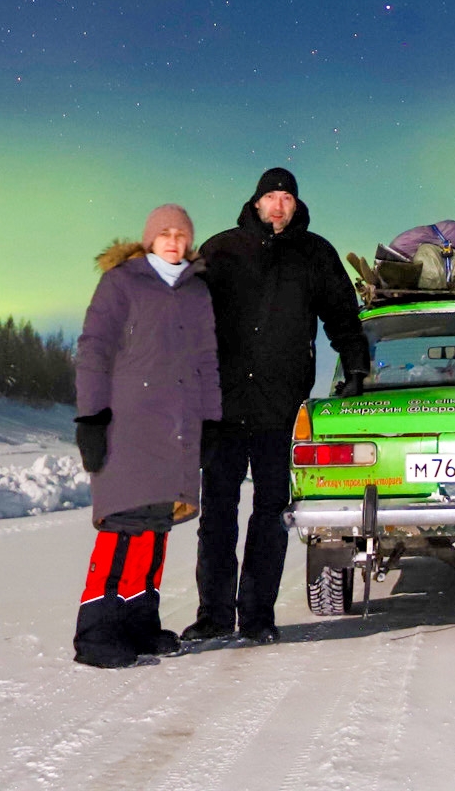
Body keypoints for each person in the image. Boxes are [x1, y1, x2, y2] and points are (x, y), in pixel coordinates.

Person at [182, 167, 370, 645]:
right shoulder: (221, 250)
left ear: (295, 204)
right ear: (257, 201)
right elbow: (186, 316)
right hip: (222, 405)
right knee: (218, 512)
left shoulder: (314, 253)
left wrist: (356, 369)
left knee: (271, 512)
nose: (279, 205)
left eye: (287, 196)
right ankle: (215, 615)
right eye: (272, 196)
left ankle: (258, 616)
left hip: (280, 407)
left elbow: (343, 316)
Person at [72, 203, 220, 668]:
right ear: (150, 239)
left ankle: (139, 623)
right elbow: (94, 348)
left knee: (155, 526)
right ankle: (96, 633)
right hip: (128, 424)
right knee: (122, 525)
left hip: (177, 428)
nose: (173, 241)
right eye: (165, 233)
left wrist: (211, 421)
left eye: (181, 234)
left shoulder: (197, 292)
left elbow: (208, 361)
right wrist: (91, 416)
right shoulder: (122, 282)